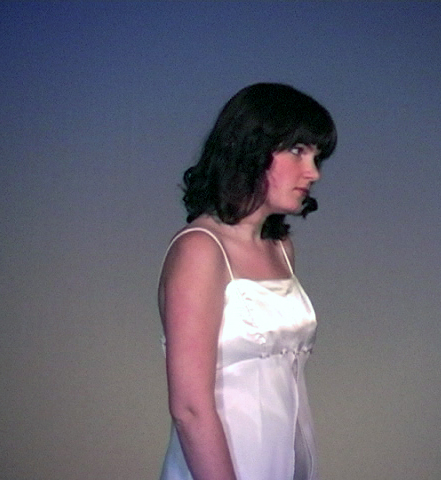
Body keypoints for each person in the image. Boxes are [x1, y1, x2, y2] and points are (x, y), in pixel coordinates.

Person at [158, 83, 337, 480]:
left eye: (317, 157)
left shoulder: (281, 249)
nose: (313, 172)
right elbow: (189, 408)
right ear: (251, 147)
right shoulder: (200, 250)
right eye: (298, 150)